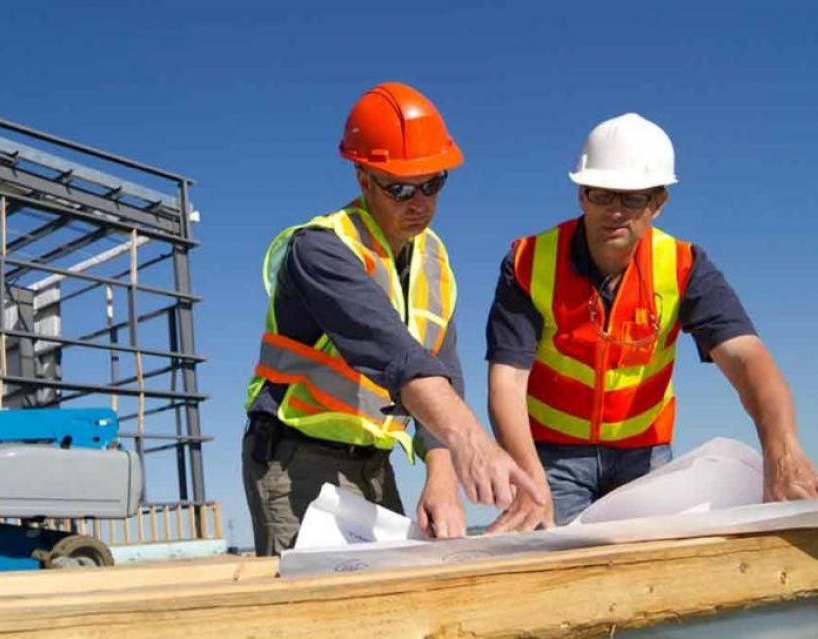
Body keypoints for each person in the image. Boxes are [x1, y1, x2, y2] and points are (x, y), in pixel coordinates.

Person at [242, 81, 540, 556]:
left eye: (432, 183)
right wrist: (472, 441)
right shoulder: (321, 249)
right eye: (400, 187)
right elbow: (397, 357)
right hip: (295, 457)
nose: (418, 202)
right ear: (363, 178)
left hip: (374, 463)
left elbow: (441, 369)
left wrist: (441, 476)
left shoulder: (434, 261)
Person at [485, 112, 818, 533]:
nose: (615, 211)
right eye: (601, 194)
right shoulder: (528, 262)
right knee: (551, 565)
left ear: (658, 203)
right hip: (551, 455)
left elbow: (747, 359)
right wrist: (529, 479)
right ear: (581, 195)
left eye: (632, 198)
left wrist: (783, 452)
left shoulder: (684, 266)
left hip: (644, 456)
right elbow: (507, 382)